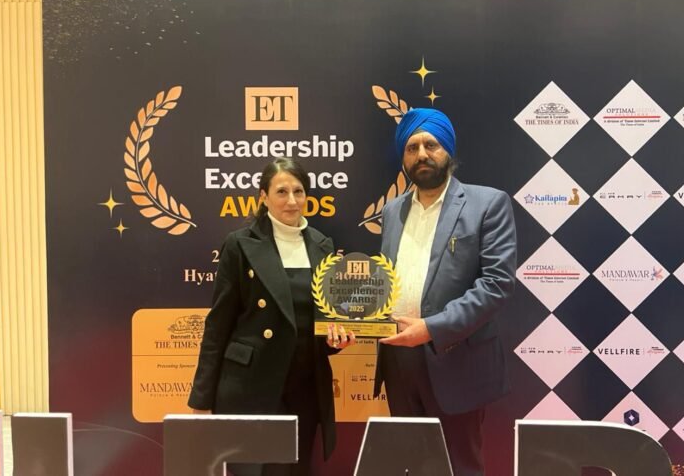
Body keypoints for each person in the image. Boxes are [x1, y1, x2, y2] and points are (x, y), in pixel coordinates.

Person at [189, 157, 355, 476]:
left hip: (305, 389)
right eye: (281, 191)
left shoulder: (322, 245)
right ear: (263, 197)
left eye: (298, 191)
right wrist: (202, 398)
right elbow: (217, 327)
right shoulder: (239, 244)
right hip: (251, 387)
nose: (292, 200)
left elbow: (320, 322)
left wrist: (335, 341)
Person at [373, 108, 517, 476]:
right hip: (398, 363)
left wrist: (431, 329)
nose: (422, 154)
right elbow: (384, 282)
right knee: (409, 465)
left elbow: (496, 283)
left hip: (456, 360)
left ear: (447, 150)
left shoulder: (488, 203)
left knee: (459, 467)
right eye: (412, 148)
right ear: (403, 158)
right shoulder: (391, 211)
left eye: (431, 145)